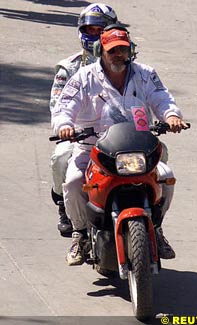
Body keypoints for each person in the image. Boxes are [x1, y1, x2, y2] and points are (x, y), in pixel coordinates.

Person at [51, 24, 188, 266]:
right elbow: (64, 107)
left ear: (130, 51)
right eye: (112, 50)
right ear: (100, 50)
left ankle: (156, 227)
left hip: (137, 146)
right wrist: (65, 125)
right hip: (93, 148)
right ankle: (80, 235)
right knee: (73, 182)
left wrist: (171, 116)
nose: (118, 55)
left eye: (122, 50)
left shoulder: (146, 73)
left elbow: (162, 98)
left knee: (166, 176)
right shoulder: (83, 77)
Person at [49, 4, 118, 236]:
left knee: (160, 157)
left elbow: (148, 98)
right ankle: (64, 206)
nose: (95, 36)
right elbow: (58, 104)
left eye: (101, 30)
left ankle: (154, 223)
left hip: (120, 134)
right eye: (90, 30)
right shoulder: (69, 68)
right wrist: (67, 126)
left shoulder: (127, 62)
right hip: (82, 134)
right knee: (61, 157)